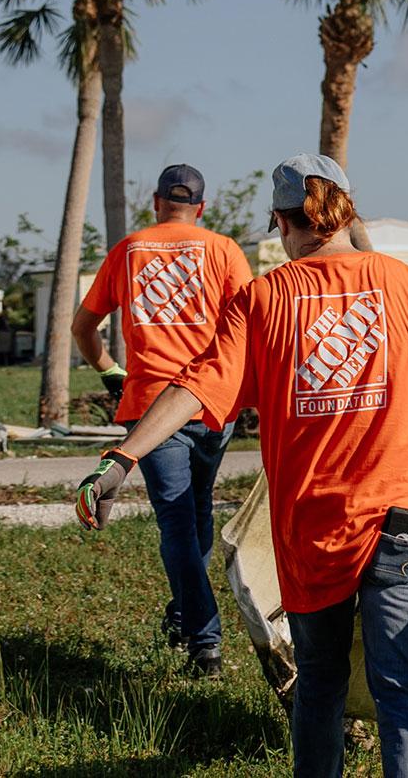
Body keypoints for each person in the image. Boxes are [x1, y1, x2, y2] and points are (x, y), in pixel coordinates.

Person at [76, 154, 408, 778]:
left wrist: (123, 457)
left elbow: (195, 388)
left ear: (281, 221)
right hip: (405, 524)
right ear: (346, 211)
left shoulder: (262, 302)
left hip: (313, 533)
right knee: (400, 691)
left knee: (319, 683)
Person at [70, 164, 255, 678]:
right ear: (202, 206)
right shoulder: (223, 250)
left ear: (155, 203)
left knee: (179, 519)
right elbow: (252, 324)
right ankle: (189, 619)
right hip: (214, 403)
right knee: (194, 512)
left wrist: (109, 369)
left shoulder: (129, 250)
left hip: (152, 406)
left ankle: (203, 640)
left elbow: (83, 326)